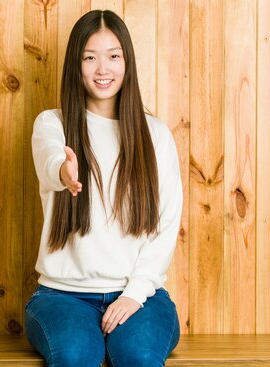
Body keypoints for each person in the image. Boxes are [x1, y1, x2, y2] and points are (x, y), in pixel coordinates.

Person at [25, 9, 182, 367]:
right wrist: (64, 172)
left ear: (127, 62)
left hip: (141, 297)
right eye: (90, 57)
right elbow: (50, 160)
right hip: (62, 297)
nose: (102, 69)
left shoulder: (155, 134)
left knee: (140, 356)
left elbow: (166, 223)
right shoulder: (53, 124)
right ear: (75, 65)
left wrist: (134, 294)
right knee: (75, 356)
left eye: (113, 56)